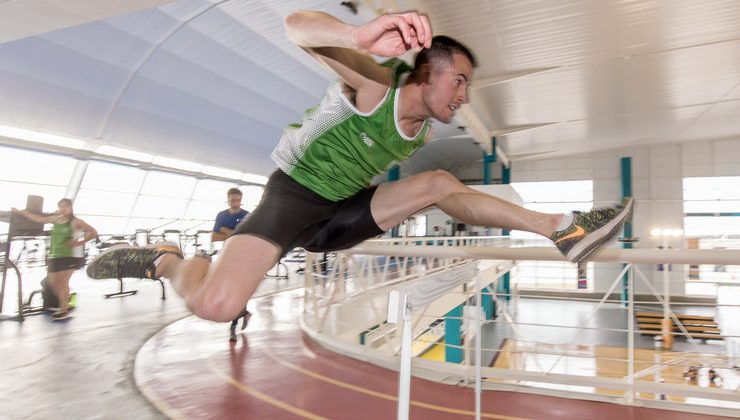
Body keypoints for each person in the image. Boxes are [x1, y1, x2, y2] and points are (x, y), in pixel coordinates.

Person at [87, 10, 633, 322]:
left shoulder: (420, 129)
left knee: (438, 183)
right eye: (459, 80)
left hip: (339, 214)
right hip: (292, 197)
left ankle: (563, 229)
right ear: (428, 72)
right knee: (219, 305)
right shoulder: (377, 86)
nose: (464, 95)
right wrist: (356, 38)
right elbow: (295, 27)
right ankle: (164, 260)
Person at [13, 198, 97, 320]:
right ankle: (66, 300)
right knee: (53, 283)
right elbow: (38, 219)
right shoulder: (55, 220)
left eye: (65, 206)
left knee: (63, 283)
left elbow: (93, 232)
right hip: (54, 256)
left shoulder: (76, 222)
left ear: (70, 208)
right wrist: (21, 212)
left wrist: (79, 242)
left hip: (69, 256)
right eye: (60, 206)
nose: (62, 209)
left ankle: (63, 309)